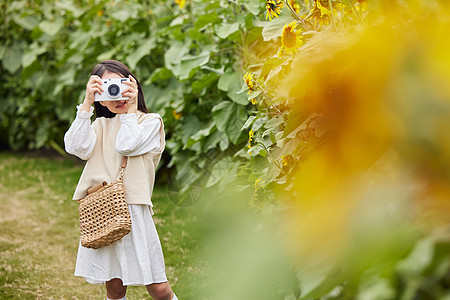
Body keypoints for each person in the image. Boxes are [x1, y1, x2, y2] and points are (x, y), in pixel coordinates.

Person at [64, 60, 178, 300]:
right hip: (104, 212)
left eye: (122, 84)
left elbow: (126, 144)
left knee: (159, 288)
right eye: (107, 88)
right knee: (114, 287)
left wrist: (131, 108)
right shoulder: (99, 124)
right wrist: (86, 104)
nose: (117, 94)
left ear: (134, 85)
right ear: (100, 97)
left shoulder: (150, 123)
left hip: (134, 212)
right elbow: (75, 147)